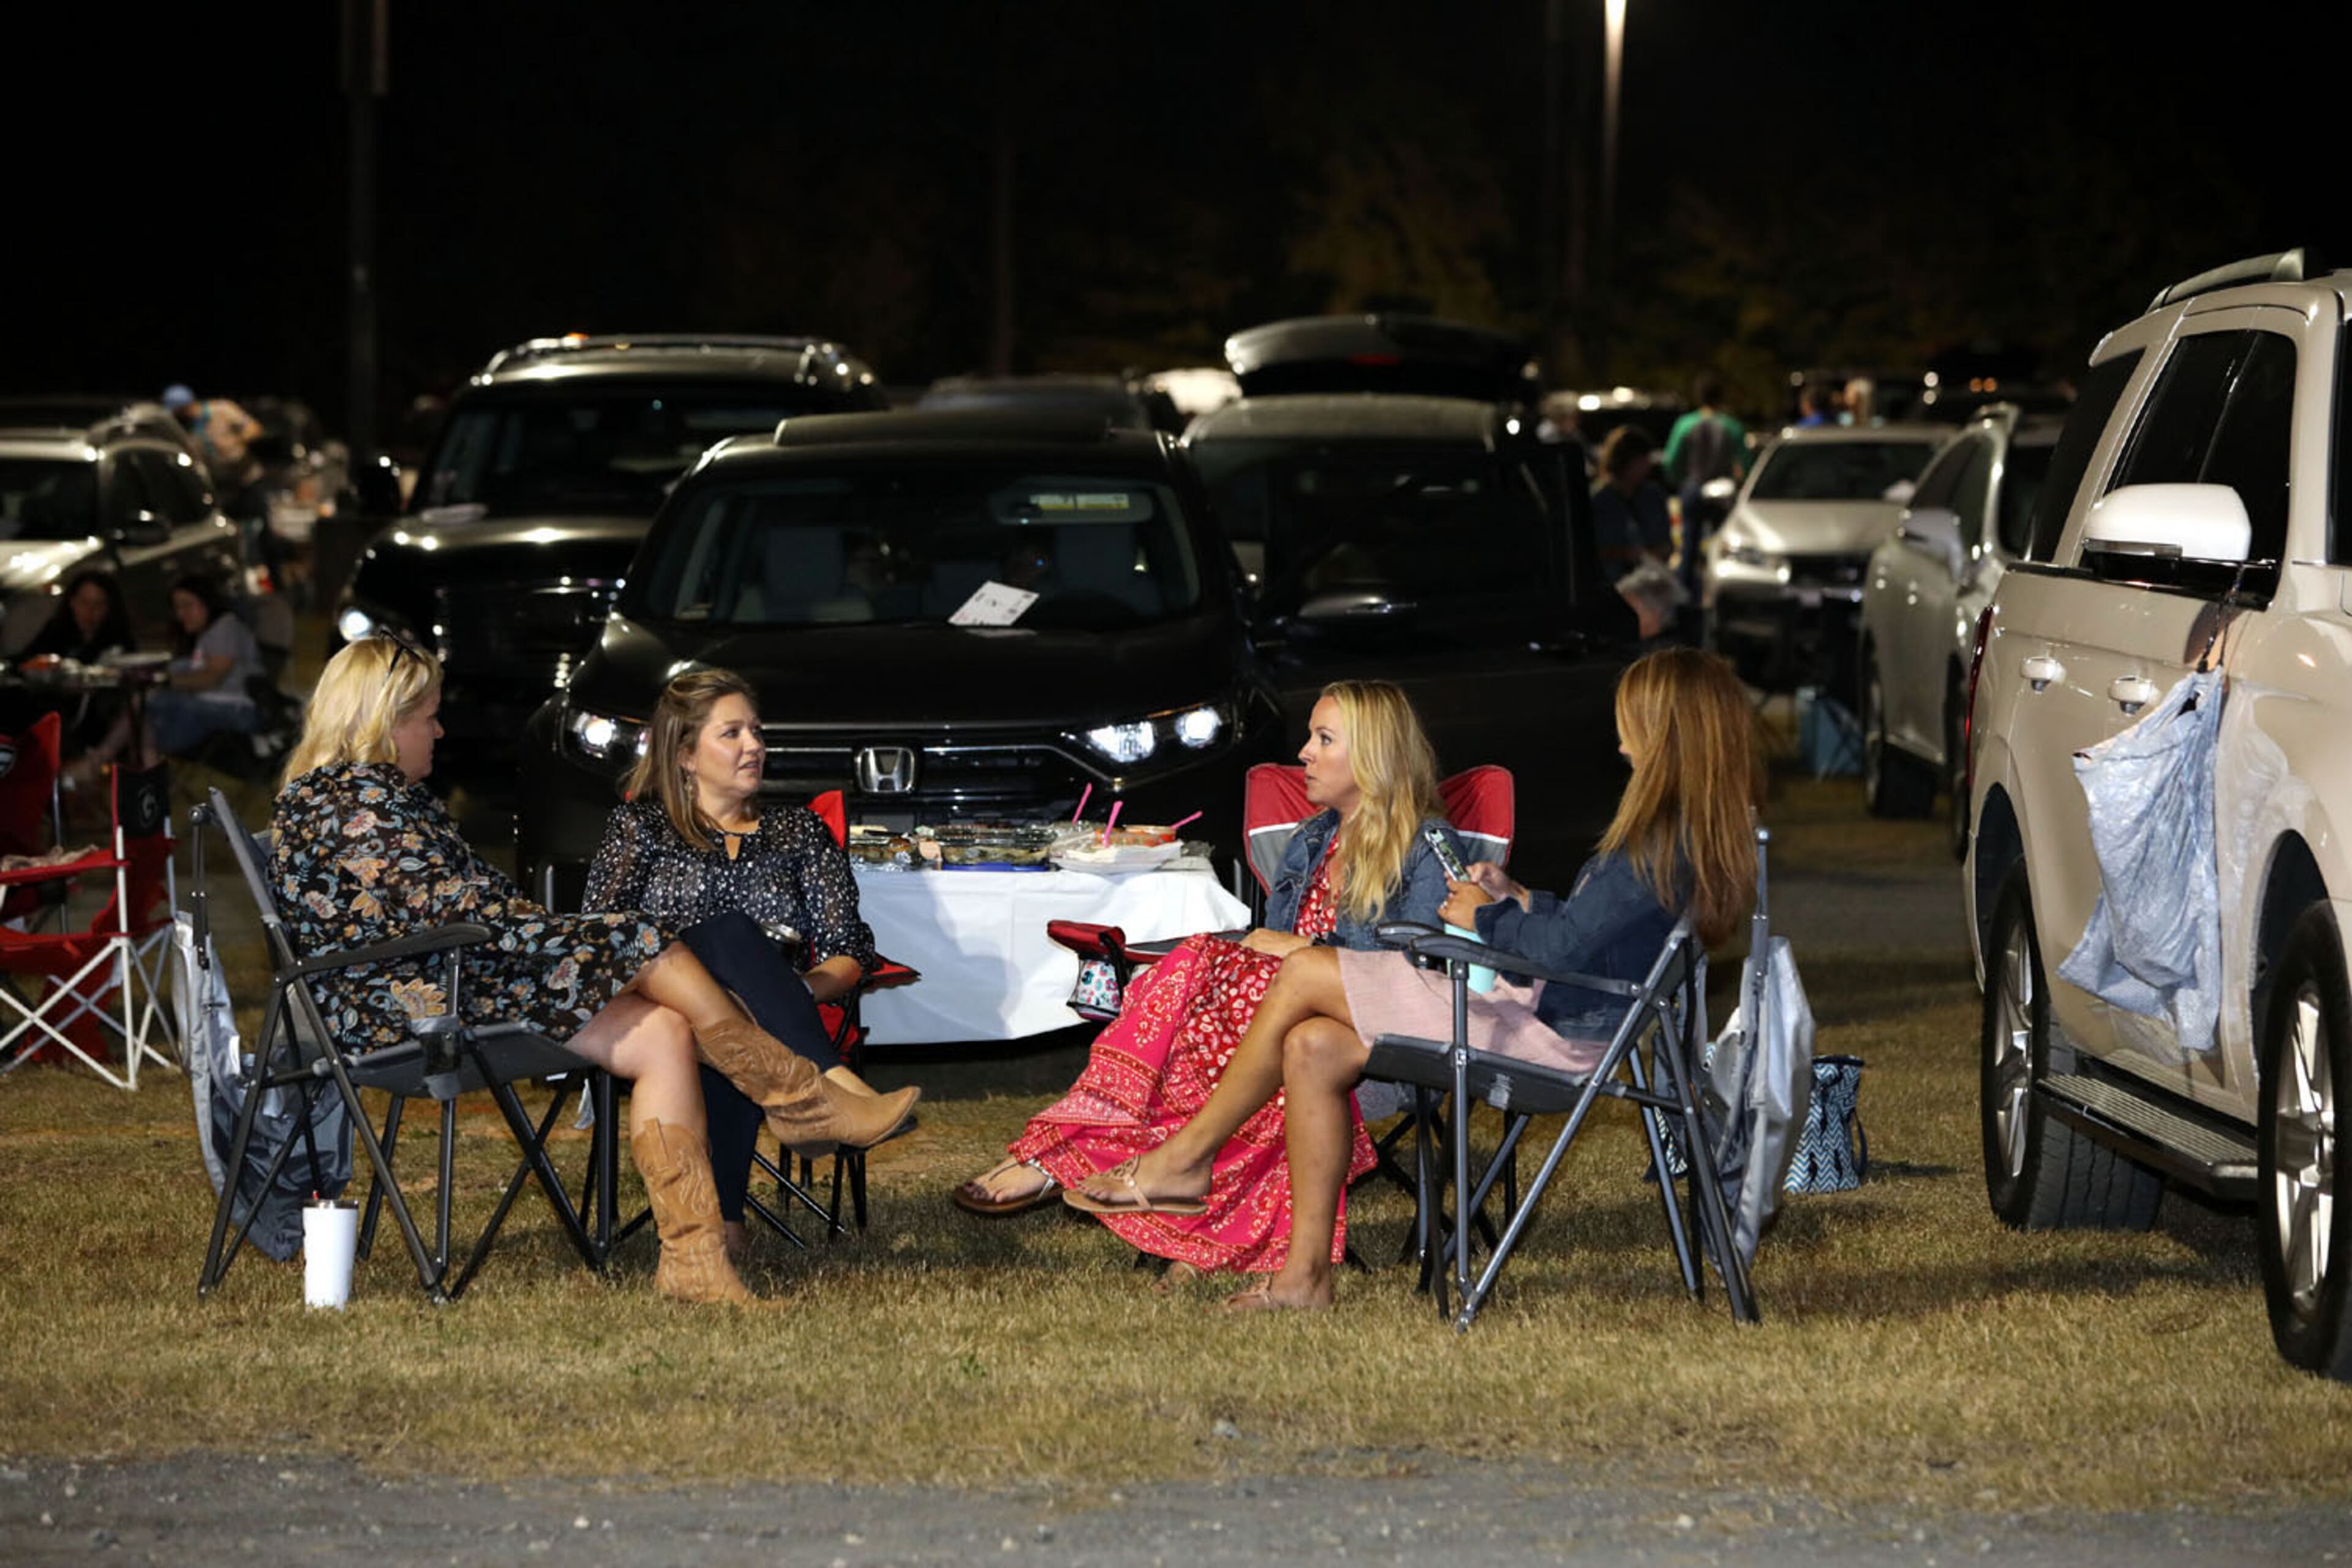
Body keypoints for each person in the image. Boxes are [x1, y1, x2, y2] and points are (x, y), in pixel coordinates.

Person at [1067, 647, 1762, 1311]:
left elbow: (1561, 949)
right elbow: (1586, 935)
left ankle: (1186, 1160)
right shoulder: (1680, 836)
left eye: (1630, 721)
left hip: (1543, 1031)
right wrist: (1519, 897)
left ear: (1667, 730)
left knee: (1306, 968)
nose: (1619, 740)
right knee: (1311, 1044)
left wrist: (1488, 918)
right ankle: (1303, 1276)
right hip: (1549, 1013)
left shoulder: (1659, 842)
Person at [264, 635, 920, 1303]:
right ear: (384, 718)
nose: (439, 729)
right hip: (408, 1006)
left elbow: (461, 907)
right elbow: (450, 907)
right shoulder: (342, 802)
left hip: (462, 978)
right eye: (427, 714)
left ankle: (695, 1260)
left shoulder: (390, 798)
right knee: (644, 939)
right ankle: (801, 1100)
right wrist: (561, 932)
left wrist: (551, 931)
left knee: (665, 1028)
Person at [956, 679, 1468, 1280]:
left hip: (1370, 1056)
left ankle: (1061, 1159)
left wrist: (1301, 948)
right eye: (1310, 736)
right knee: (1193, 990)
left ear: (1375, 754)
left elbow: (1424, 975)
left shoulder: (1427, 846)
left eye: (1323, 739)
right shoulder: (1310, 841)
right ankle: (1184, 1213)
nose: (1303, 751)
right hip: (1275, 1044)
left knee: (1199, 968)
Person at [584, 668, 900, 1260]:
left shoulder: (798, 831)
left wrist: (788, 993)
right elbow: (604, 939)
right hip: (659, 1008)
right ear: (684, 754)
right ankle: (828, 1089)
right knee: (721, 962)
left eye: (756, 731)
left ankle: (724, 1226)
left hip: (780, 1008)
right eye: (732, 734)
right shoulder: (641, 828)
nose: (754, 746)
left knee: (736, 1019)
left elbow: (849, 949)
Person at [70, 575, 263, 780]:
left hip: (235, 710)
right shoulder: (206, 635)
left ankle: (107, 762)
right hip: (207, 709)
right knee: (143, 714)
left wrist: (163, 681)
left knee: (145, 704)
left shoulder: (226, 627)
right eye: (177, 608)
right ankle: (147, 771)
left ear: (207, 601)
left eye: (188, 606)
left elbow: (212, 678)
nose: (181, 614)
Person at [19, 570, 138, 758]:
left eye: (98, 604)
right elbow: (26, 660)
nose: (90, 612)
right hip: (45, 701)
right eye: (84, 603)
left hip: (88, 714)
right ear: (72, 602)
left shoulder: (116, 643)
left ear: (109, 608)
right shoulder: (57, 631)